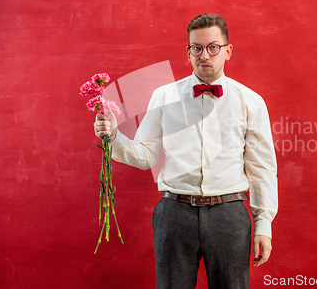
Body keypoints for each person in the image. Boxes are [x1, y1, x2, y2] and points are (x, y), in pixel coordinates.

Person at [94, 14, 278, 289]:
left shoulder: (250, 102)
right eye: (197, 48)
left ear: (227, 51)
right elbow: (145, 155)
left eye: (213, 47)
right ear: (188, 52)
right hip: (174, 213)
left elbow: (261, 168)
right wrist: (114, 136)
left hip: (229, 216)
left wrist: (264, 224)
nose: (205, 54)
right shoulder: (164, 96)